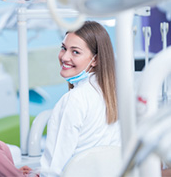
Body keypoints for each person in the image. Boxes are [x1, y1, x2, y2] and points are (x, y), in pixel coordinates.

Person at [40, 21, 121, 176]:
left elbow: (55, 168)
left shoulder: (74, 100)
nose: (65, 57)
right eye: (63, 48)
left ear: (95, 59)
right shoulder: (113, 96)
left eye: (75, 52)